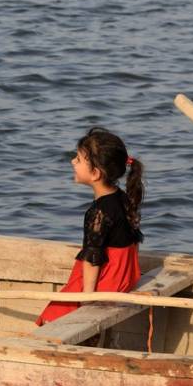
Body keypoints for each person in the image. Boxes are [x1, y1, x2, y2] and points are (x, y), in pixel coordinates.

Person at [36, 127, 145, 326]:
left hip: (107, 281)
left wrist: (87, 297)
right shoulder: (122, 197)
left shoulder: (98, 213)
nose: (72, 162)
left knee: (53, 317)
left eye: (78, 159)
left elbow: (92, 257)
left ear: (95, 173)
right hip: (125, 275)